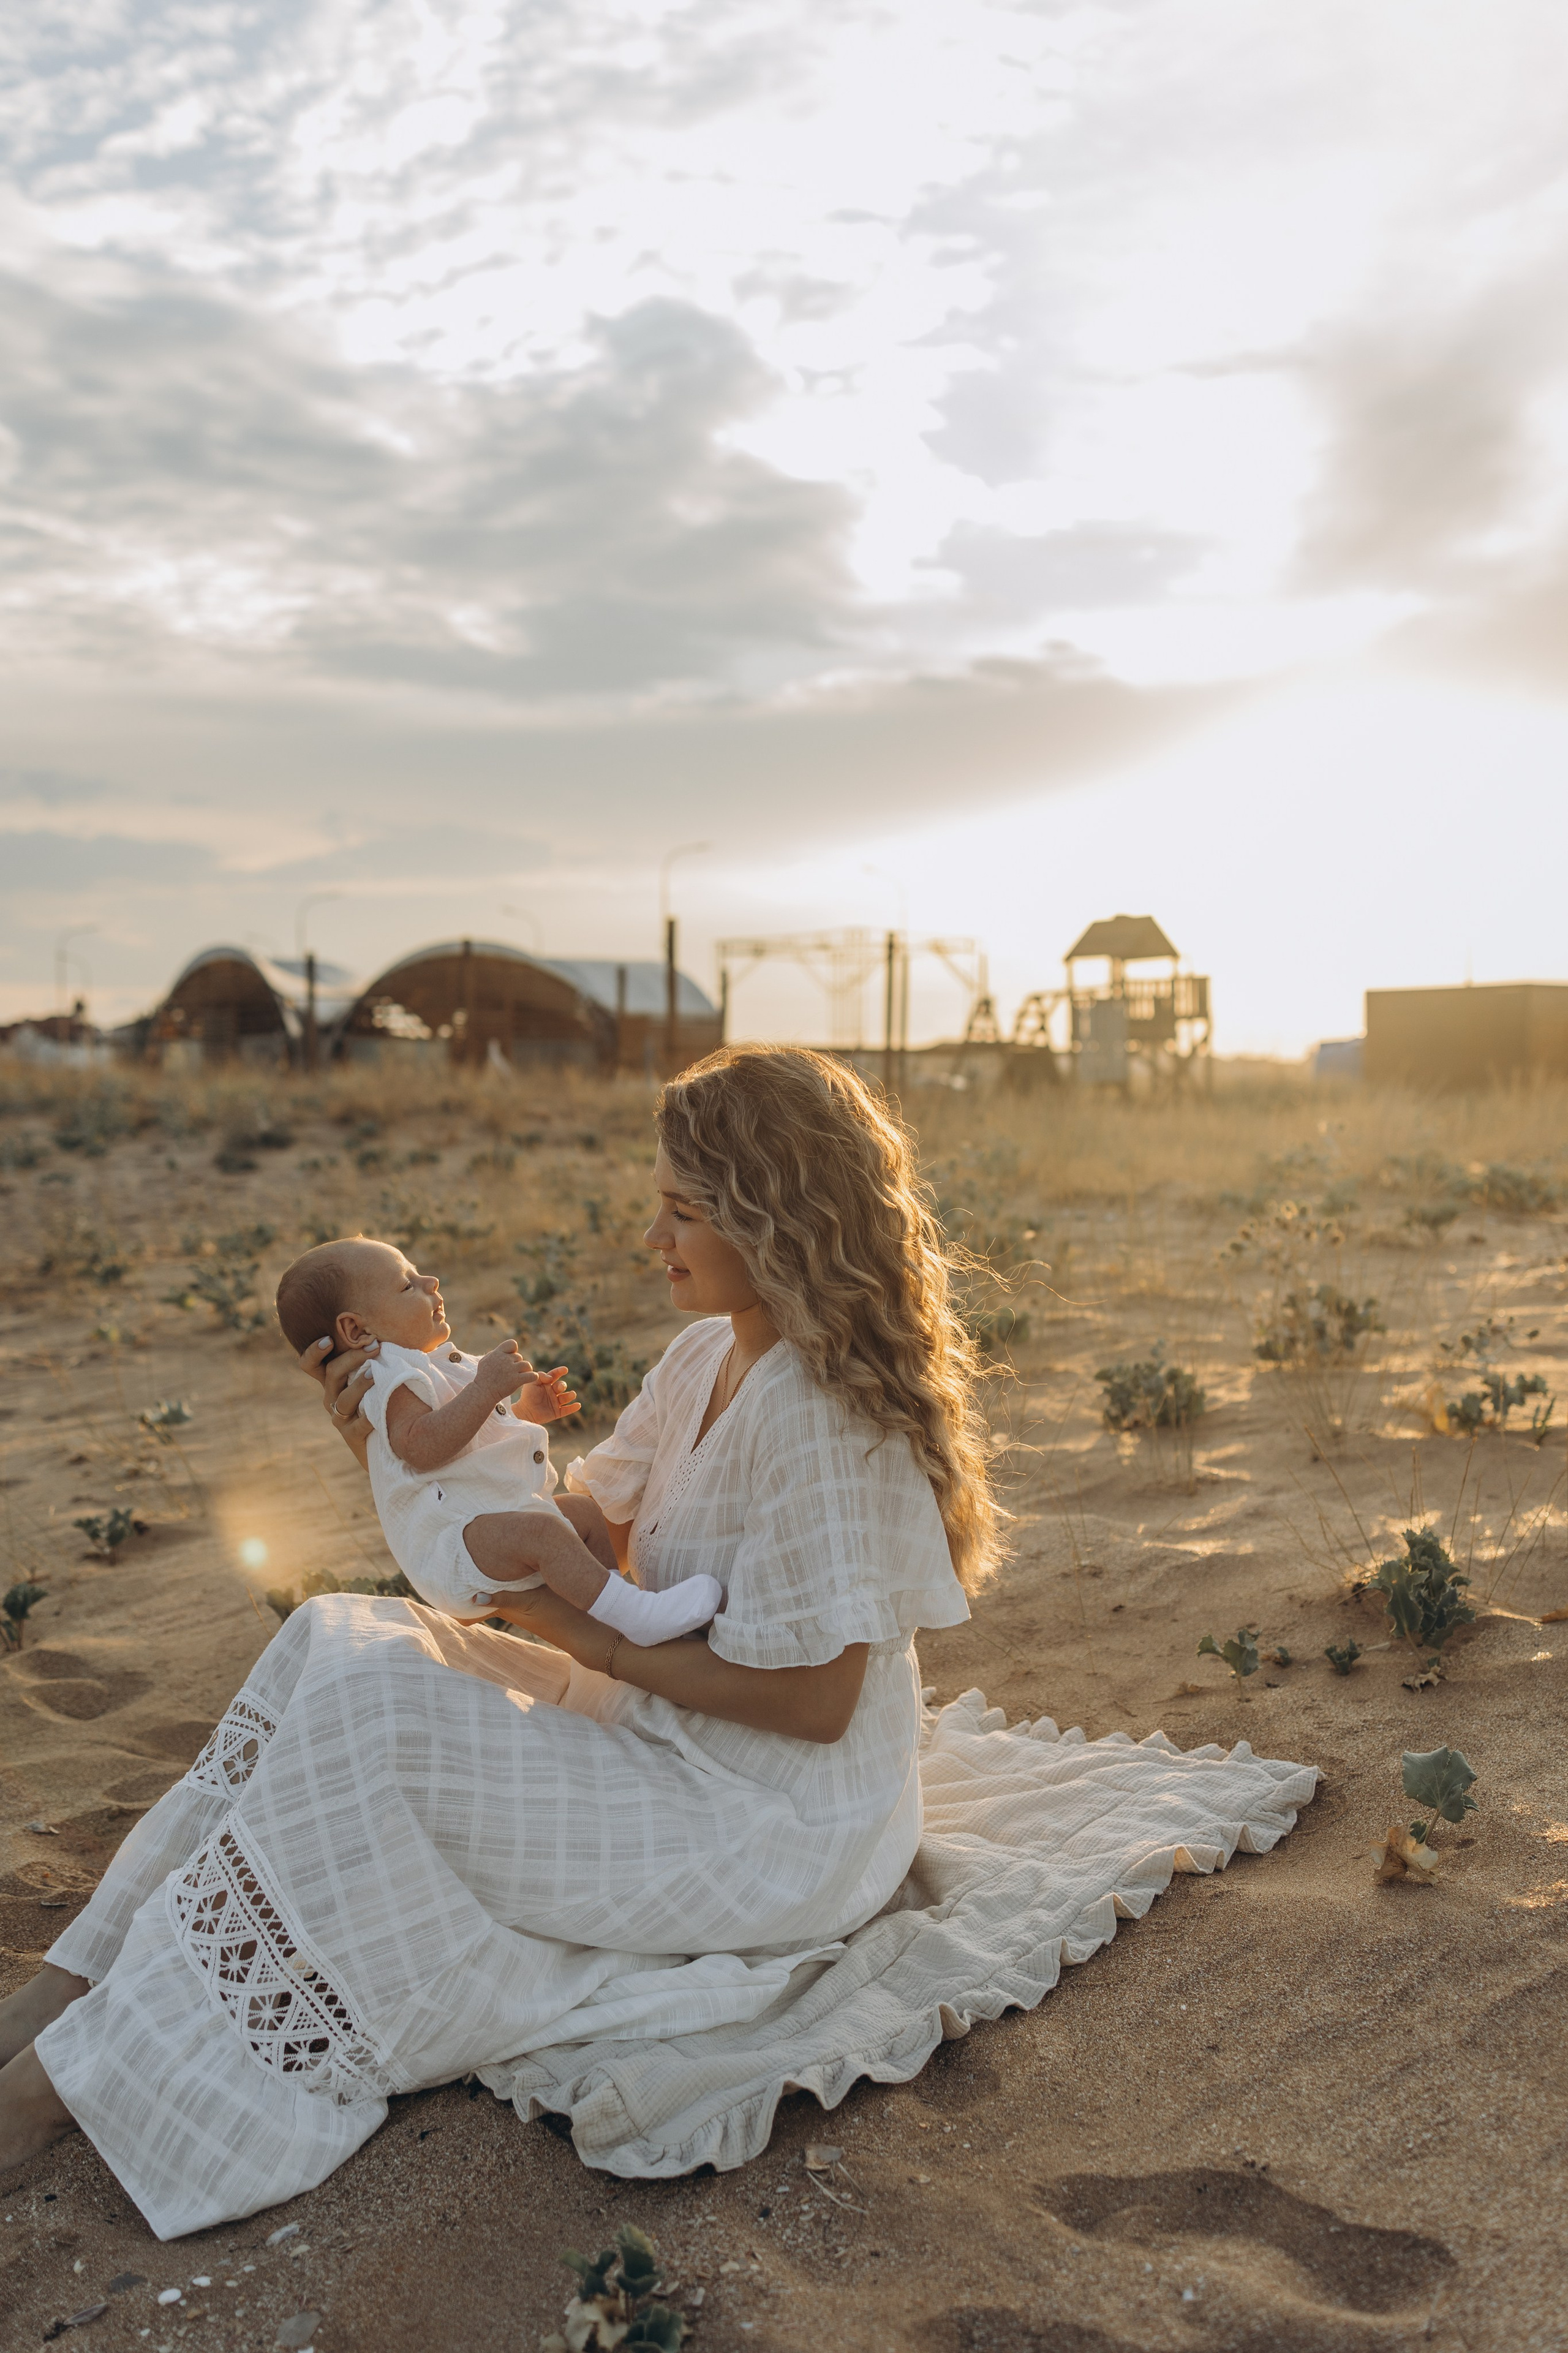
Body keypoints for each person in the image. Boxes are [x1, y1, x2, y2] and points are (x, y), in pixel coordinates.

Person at [0, 1046, 994, 2238]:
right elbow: (583, 1526)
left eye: (682, 1211)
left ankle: (68, 2087)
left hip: (775, 1821)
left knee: (381, 1716)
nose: (651, 1236)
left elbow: (817, 1708)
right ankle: (77, 1985)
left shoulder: (825, 1414)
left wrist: (578, 1634)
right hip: (663, 1721)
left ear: (772, 1217)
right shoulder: (702, 1355)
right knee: (331, 1637)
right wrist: (402, 1461)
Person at [271, 1234, 723, 1641]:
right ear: (356, 1330)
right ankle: (636, 1618)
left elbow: (471, 1442)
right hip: (453, 1544)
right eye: (407, 1284)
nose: (430, 1280)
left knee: (582, 1514)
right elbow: (422, 1448)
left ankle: (619, 1610)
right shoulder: (386, 1380)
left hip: (488, 1521)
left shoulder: (427, 1366)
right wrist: (486, 1388)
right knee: (545, 1532)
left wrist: (525, 1411)